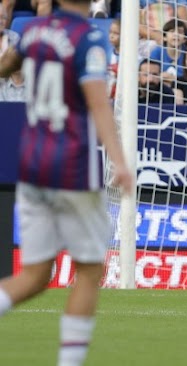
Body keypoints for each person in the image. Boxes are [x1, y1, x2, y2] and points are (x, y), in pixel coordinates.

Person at [0, 1, 133, 365]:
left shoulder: (32, 31)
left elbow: (6, 66)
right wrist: (120, 162)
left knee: (34, 275)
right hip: (73, 167)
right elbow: (98, 104)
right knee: (90, 270)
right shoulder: (89, 38)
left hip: (32, 165)